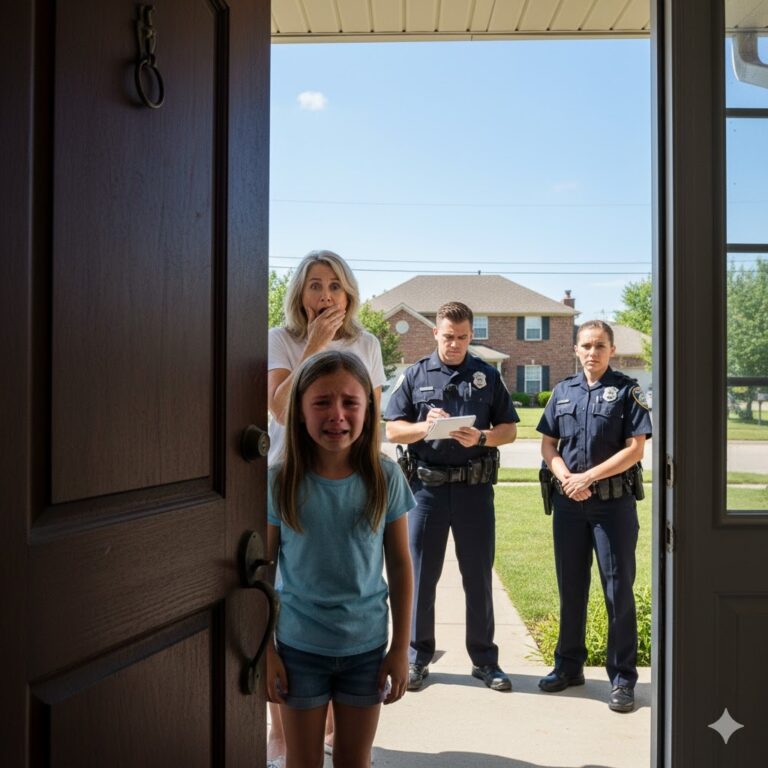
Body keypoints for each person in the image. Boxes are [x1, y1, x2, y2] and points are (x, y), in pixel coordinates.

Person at [266, 350, 414, 768]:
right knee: (303, 759)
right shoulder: (280, 481)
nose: (337, 415)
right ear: (298, 411)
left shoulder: (385, 477)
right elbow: (264, 567)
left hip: (366, 648)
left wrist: (400, 648)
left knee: (353, 758)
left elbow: (401, 565)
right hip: (297, 648)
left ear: (369, 408)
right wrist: (266, 651)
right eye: (321, 402)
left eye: (350, 402)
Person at [267, 250, 387, 763]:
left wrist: (373, 476)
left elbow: (373, 417)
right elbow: (277, 407)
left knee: (346, 577)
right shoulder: (281, 339)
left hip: (351, 477)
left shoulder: (367, 343)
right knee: (290, 588)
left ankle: (338, 728)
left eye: (334, 285)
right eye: (314, 285)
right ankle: (288, 733)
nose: (325, 295)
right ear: (299, 294)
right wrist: (313, 347)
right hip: (291, 478)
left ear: (349, 293)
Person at [384, 301, 519, 693]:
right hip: (426, 491)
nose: (455, 344)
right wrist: (424, 427)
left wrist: (480, 436)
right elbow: (393, 431)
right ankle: (416, 658)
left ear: (471, 335)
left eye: (462, 337)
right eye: (448, 336)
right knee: (421, 578)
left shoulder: (486, 375)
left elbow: (508, 429)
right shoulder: (415, 374)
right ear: (435, 333)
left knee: (477, 577)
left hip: (474, 491)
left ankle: (485, 661)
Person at [536, 319, 652, 713]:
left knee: (617, 591)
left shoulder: (626, 391)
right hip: (569, 505)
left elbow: (635, 450)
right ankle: (569, 667)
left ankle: (622, 680)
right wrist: (566, 477)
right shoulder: (562, 392)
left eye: (600, 345)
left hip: (612, 507)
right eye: (586, 345)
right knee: (571, 587)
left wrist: (588, 476)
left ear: (612, 350)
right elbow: (548, 445)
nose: (592, 352)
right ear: (576, 349)